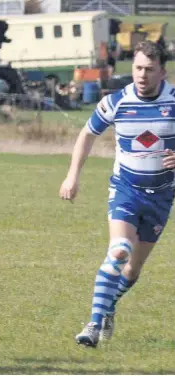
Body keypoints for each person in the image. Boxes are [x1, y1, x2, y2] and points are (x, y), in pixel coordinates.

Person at [60, 41, 174, 348]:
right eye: (137, 68)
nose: (142, 75)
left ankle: (109, 306)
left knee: (132, 269)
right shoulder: (116, 102)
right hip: (125, 190)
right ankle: (93, 325)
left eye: (150, 70)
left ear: (163, 71)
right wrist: (73, 175)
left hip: (162, 197)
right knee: (119, 250)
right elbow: (86, 134)